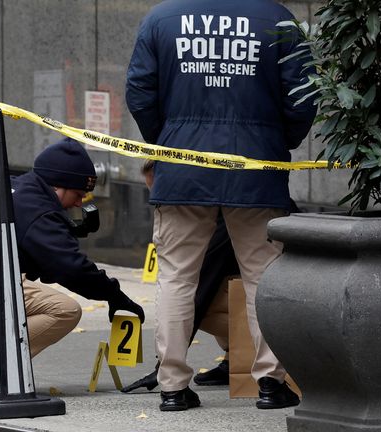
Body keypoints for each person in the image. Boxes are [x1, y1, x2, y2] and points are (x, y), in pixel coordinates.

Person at [126, 0, 316, 411]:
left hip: (182, 170)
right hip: (256, 170)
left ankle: (172, 387)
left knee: (176, 277)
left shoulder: (162, 18)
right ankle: (270, 382)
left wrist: (171, 140)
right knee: (263, 277)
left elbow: (139, 93)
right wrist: (275, 142)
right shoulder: (277, 17)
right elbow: (302, 97)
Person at [0, 137, 145, 395]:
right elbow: (71, 269)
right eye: (78, 194)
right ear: (58, 186)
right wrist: (115, 296)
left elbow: (32, 254)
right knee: (64, 310)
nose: (79, 203)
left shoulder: (13, 187)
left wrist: (62, 232)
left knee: (11, 279)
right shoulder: (39, 210)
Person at [122, 160, 238, 393]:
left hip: (265, 283)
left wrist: (163, 369)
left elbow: (198, 292)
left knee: (189, 297)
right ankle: (237, 359)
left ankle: (256, 355)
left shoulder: (215, 221)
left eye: (158, 190)